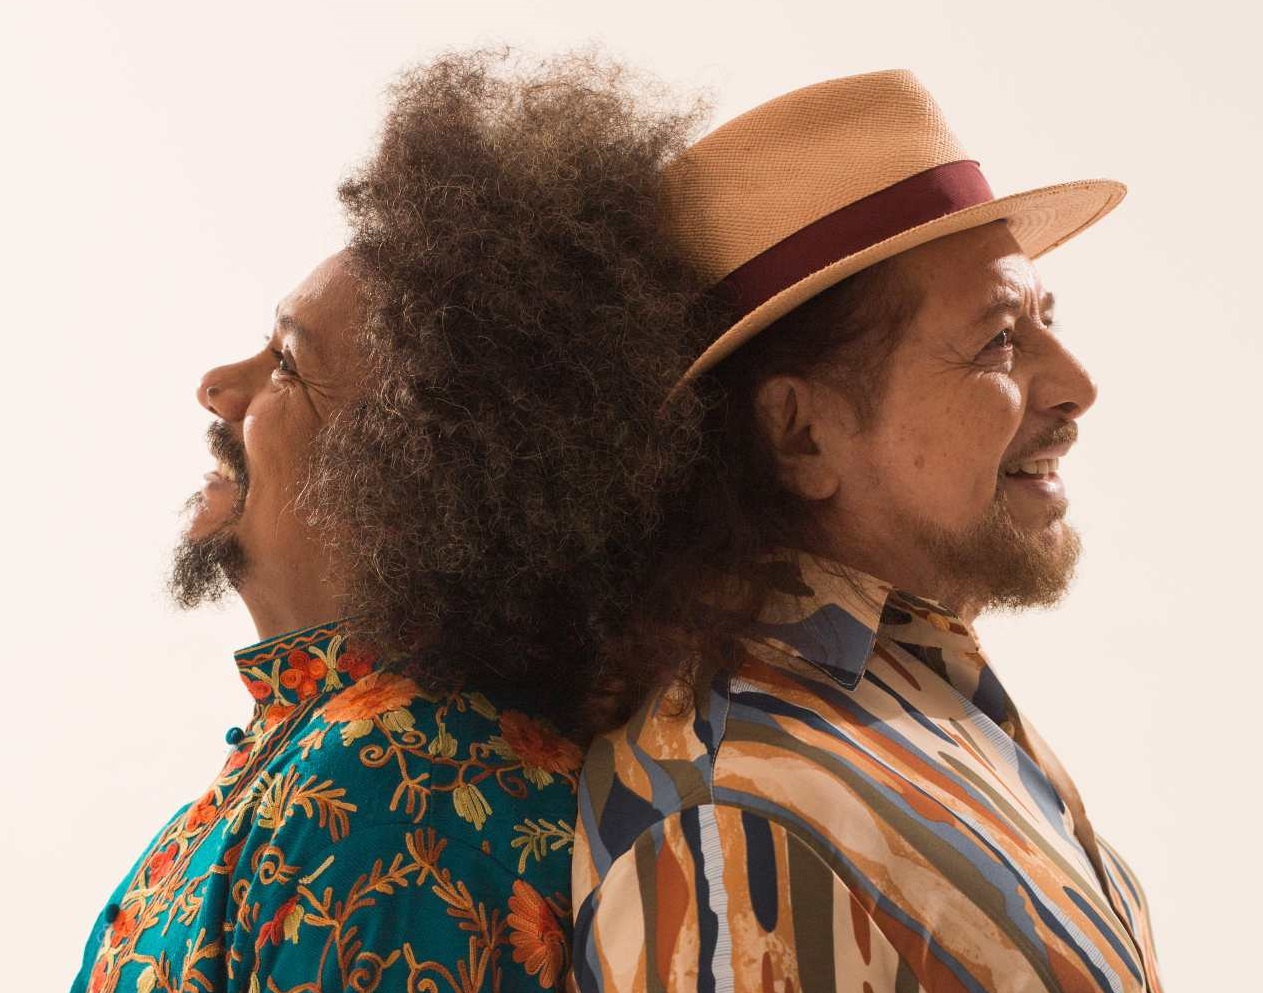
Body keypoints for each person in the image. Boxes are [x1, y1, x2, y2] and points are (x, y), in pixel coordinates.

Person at [72, 50, 714, 993]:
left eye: (285, 364)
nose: (216, 388)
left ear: (409, 475)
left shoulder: (392, 794)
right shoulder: (334, 747)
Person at [571, 70, 1165, 992]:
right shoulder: (737, 820)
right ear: (800, 433)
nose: (1076, 383)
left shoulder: (921, 694)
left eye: (1046, 320)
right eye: (999, 339)